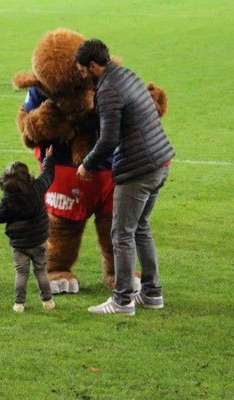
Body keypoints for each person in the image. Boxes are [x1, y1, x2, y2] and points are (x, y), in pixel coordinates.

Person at [75, 39, 175, 316]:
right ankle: (152, 293)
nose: (81, 75)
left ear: (93, 66)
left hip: (139, 169)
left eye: (82, 70)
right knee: (140, 227)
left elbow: (108, 140)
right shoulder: (127, 74)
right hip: (161, 161)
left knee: (121, 234)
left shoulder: (108, 91)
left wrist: (87, 164)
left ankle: (122, 300)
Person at [0, 146, 56, 313]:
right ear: (27, 177)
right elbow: (48, 175)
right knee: (41, 270)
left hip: (19, 244)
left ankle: (19, 304)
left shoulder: (8, 200)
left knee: (21, 272)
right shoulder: (37, 188)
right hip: (39, 240)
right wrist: (48, 159)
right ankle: (47, 301)